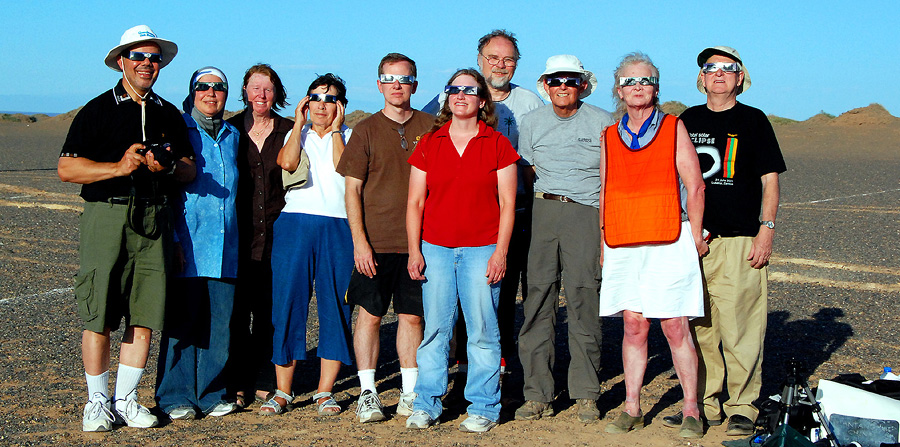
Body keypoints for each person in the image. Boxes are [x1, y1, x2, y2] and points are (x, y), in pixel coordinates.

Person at [57, 25, 195, 431]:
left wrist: (166, 166)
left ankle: (127, 400)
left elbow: (189, 169)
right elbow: (67, 168)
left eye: (154, 58)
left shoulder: (168, 113)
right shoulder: (97, 110)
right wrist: (118, 168)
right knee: (99, 311)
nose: (146, 64)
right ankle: (97, 402)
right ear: (121, 62)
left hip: (154, 218)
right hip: (107, 215)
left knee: (145, 311)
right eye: (138, 56)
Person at [663, 46, 786, 437]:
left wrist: (766, 230)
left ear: (740, 77)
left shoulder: (754, 120)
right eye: (711, 67)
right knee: (699, 325)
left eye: (727, 68)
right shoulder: (687, 120)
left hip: (739, 240)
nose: (718, 73)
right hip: (692, 237)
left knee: (741, 326)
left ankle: (742, 406)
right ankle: (703, 403)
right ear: (701, 78)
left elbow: (770, 180)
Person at [422, 30, 542, 390]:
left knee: (499, 295)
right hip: (463, 215)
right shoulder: (452, 97)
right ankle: (461, 367)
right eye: (493, 58)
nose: (500, 65)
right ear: (479, 60)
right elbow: (426, 133)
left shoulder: (529, 102)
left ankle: (497, 370)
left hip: (514, 210)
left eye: (508, 59)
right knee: (456, 300)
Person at [598, 52, 708, 439]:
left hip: (669, 238)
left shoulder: (674, 126)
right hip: (623, 241)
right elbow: (606, 191)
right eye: (629, 81)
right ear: (618, 90)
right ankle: (632, 407)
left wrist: (696, 235)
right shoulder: (609, 136)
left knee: (675, 327)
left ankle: (691, 409)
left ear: (656, 88)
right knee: (633, 326)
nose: (637, 87)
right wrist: (603, 240)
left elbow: (695, 185)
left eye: (645, 80)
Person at [405, 69, 518, 433]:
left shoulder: (497, 143)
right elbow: (415, 202)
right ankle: (426, 403)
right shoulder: (430, 142)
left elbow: (508, 203)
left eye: (469, 90)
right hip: (435, 249)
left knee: (482, 331)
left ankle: (484, 406)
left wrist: (500, 252)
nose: (461, 95)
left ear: (482, 100)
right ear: (447, 97)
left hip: (482, 249)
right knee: (436, 331)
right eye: (454, 89)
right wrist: (414, 250)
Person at [514, 55, 612, 423]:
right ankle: (537, 394)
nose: (563, 87)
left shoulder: (603, 121)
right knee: (538, 299)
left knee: (584, 298)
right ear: (545, 85)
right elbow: (527, 171)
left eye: (570, 80)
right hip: (542, 211)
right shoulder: (532, 121)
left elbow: (612, 174)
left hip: (586, 213)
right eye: (555, 80)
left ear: (583, 84)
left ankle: (586, 393)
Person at [335, 53, 433, 423]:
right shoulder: (365, 130)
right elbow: (352, 190)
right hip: (375, 244)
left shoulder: (431, 127)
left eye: (404, 79)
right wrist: (360, 242)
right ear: (379, 85)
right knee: (370, 316)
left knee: (412, 318)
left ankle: (410, 392)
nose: (397, 85)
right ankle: (368, 392)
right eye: (389, 79)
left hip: (418, 244)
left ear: (415, 85)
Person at [258, 74, 355, 416]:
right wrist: (299, 124)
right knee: (288, 302)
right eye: (315, 98)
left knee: (336, 305)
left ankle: (325, 391)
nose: (321, 105)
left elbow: (344, 168)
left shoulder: (351, 136)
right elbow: (286, 163)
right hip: (295, 223)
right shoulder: (295, 133)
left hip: (338, 225)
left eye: (330, 99)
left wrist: (337, 130)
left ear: (340, 105)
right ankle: (283, 391)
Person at [155, 66, 239, 420]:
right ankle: (174, 396)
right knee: (182, 324)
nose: (211, 93)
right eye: (203, 86)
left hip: (226, 245)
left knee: (219, 326)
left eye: (218, 87)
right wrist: (174, 238)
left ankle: (211, 393)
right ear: (192, 93)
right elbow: (167, 190)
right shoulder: (179, 131)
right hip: (188, 242)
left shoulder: (233, 135)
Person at [226, 64, 294, 409]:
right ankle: (239, 379)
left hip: (279, 237)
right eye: (255, 88)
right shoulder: (229, 129)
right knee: (237, 314)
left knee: (270, 312)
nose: (261, 95)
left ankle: (267, 377)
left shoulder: (290, 130)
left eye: (267, 88)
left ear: (276, 93)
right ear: (245, 92)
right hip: (237, 237)